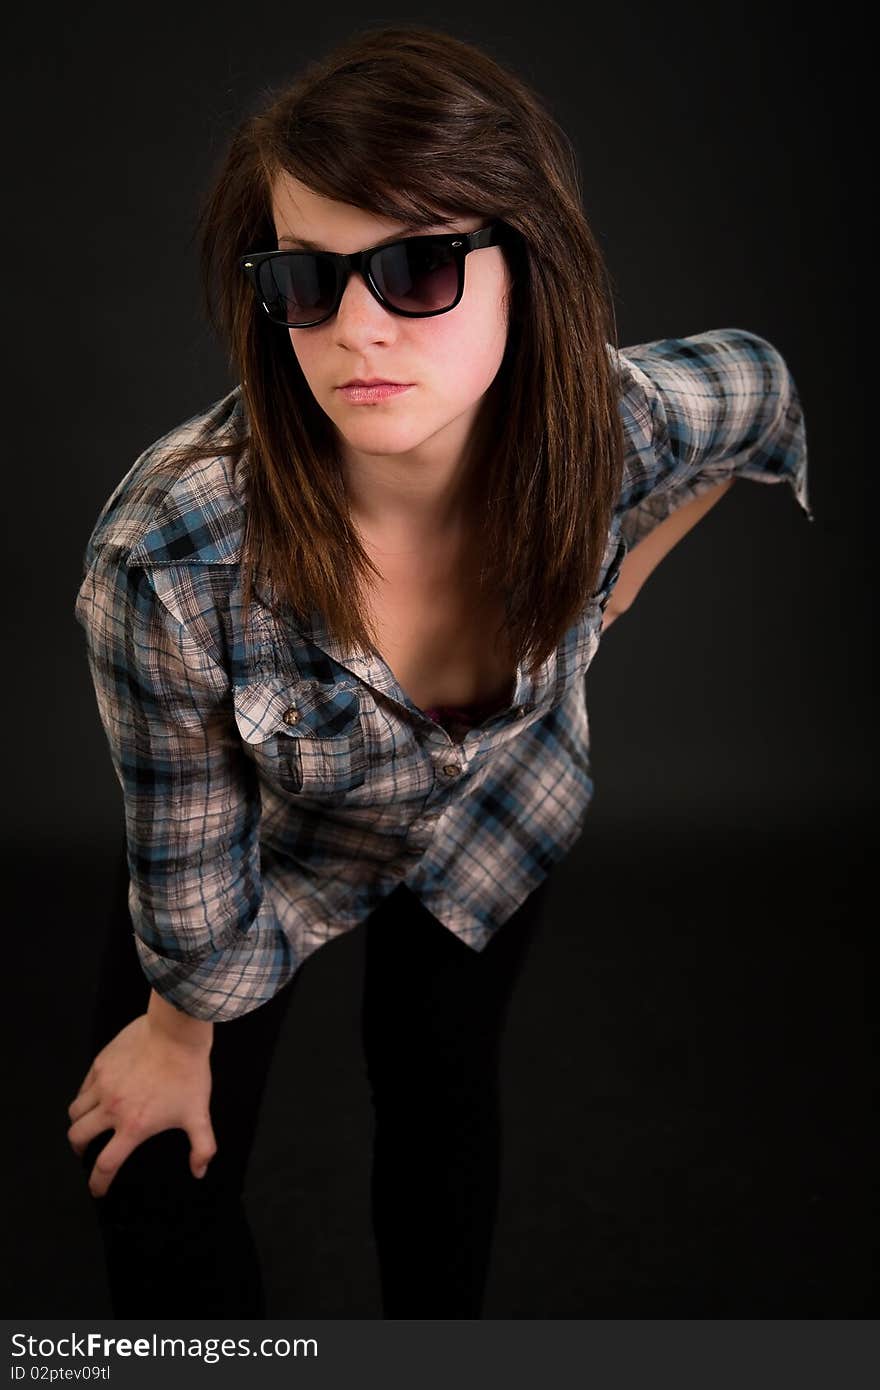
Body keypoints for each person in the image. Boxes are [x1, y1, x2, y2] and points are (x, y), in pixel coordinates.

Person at [66, 23, 813, 1319]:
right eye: (307, 279)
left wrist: (615, 575)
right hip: (259, 858)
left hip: (487, 825)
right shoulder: (171, 555)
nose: (356, 329)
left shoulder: (614, 427)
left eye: (417, 270)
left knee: (441, 1087)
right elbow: (195, 898)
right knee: (161, 1194)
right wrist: (176, 1034)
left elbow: (763, 390)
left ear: (524, 268)